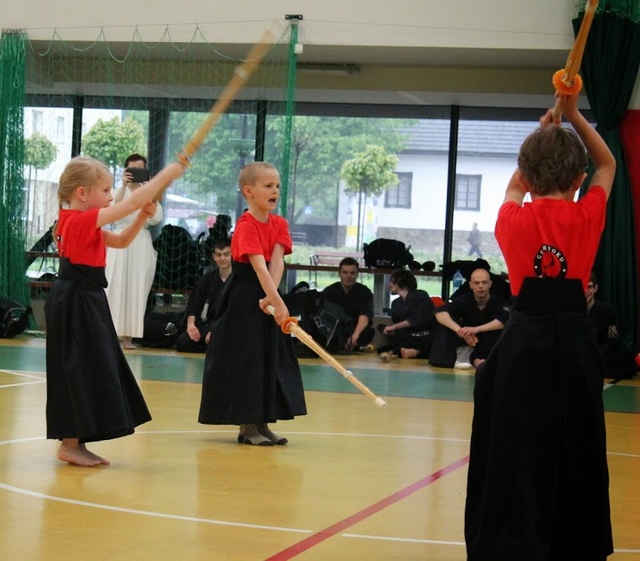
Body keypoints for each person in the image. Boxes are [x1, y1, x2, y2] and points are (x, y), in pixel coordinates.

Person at [465, 93, 616, 560]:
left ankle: (512, 541)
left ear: (528, 177)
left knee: (517, 445)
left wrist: (547, 126)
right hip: (574, 344)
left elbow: (518, 182)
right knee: (576, 443)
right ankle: (573, 544)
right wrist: (572, 115)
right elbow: (607, 163)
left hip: (522, 344)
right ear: (578, 179)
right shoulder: (587, 213)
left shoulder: (511, 217)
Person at [45, 155, 183, 467]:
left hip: (85, 298)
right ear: (82, 193)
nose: (110, 196)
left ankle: (74, 442)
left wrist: (141, 217)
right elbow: (128, 204)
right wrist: (168, 173)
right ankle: (70, 444)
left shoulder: (77, 221)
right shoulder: (78, 221)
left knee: (89, 367)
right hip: (77, 301)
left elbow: (120, 240)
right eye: (106, 190)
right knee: (77, 368)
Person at [198, 162, 306, 446]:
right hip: (244, 299)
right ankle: (247, 427)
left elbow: (276, 262)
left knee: (269, 358)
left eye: (277, 186)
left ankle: (262, 423)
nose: (275, 191)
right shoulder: (245, 226)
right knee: (248, 360)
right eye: (268, 186)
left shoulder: (280, 224)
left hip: (268, 294)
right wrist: (275, 301)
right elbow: (257, 267)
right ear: (249, 191)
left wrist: (273, 299)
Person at [105, 154, 162, 349]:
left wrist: (150, 191)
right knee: (114, 285)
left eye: (140, 169)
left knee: (137, 288)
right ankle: (110, 334)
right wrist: (123, 186)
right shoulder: (116, 191)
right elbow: (112, 211)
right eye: (133, 169)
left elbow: (156, 218)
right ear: (126, 171)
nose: (137, 172)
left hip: (141, 241)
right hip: (119, 240)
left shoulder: (149, 193)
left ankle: (129, 337)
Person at [429, 268, 508, 369]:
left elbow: (504, 321)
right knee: (445, 326)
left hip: (489, 342)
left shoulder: (499, 302)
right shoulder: (464, 300)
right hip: (467, 342)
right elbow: (440, 313)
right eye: (476, 283)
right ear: (470, 285)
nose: (480, 286)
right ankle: (472, 359)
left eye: (484, 282)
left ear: (490, 284)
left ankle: (482, 361)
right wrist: (460, 331)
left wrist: (476, 329)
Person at [175, 237, 232, 353]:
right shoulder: (207, 279)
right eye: (219, 255)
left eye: (226, 254)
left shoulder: (238, 280)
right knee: (183, 341)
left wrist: (216, 333)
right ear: (214, 257)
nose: (222, 258)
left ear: (233, 255)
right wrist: (191, 325)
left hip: (230, 326)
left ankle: (216, 345)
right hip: (211, 325)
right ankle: (213, 346)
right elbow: (194, 304)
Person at [377, 269, 436, 362]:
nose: (389, 285)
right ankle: (404, 351)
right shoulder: (396, 303)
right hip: (406, 336)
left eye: (392, 281)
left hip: (422, 334)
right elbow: (398, 324)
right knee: (384, 347)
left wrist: (394, 327)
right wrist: (389, 329)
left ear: (401, 281)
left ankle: (415, 351)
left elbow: (419, 319)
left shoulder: (420, 295)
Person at [587, 273, 637, 380]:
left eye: (589, 287)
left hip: (603, 357)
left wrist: (593, 356)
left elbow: (612, 341)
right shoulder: (572, 313)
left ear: (595, 288)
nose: (586, 291)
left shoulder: (608, 311)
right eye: (583, 287)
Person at [321, 257, 375, 352]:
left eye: (352, 273)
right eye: (345, 272)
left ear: (357, 274)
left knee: (368, 332)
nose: (348, 276)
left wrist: (355, 336)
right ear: (339, 273)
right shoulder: (329, 291)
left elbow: (365, 315)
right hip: (334, 330)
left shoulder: (364, 292)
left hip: (355, 330)